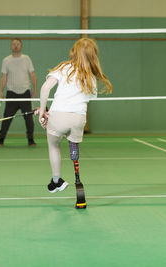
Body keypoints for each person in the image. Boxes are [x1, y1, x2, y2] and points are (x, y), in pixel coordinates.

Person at [38, 38, 112, 193]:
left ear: (74, 52)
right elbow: (85, 100)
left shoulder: (63, 67)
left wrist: (43, 111)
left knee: (54, 145)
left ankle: (57, 180)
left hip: (58, 116)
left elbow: (45, 88)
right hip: (78, 119)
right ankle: (72, 146)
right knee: (72, 142)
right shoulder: (91, 76)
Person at [0, 38, 37, 147]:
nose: (15, 46)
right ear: (11, 46)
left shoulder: (26, 59)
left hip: (25, 94)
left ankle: (31, 140)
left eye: (17, 44)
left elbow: (32, 74)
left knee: (29, 119)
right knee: (6, 119)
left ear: (21, 46)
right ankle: (1, 140)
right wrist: (1, 91)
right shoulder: (6, 60)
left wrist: (35, 90)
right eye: (13, 44)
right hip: (11, 94)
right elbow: (3, 77)